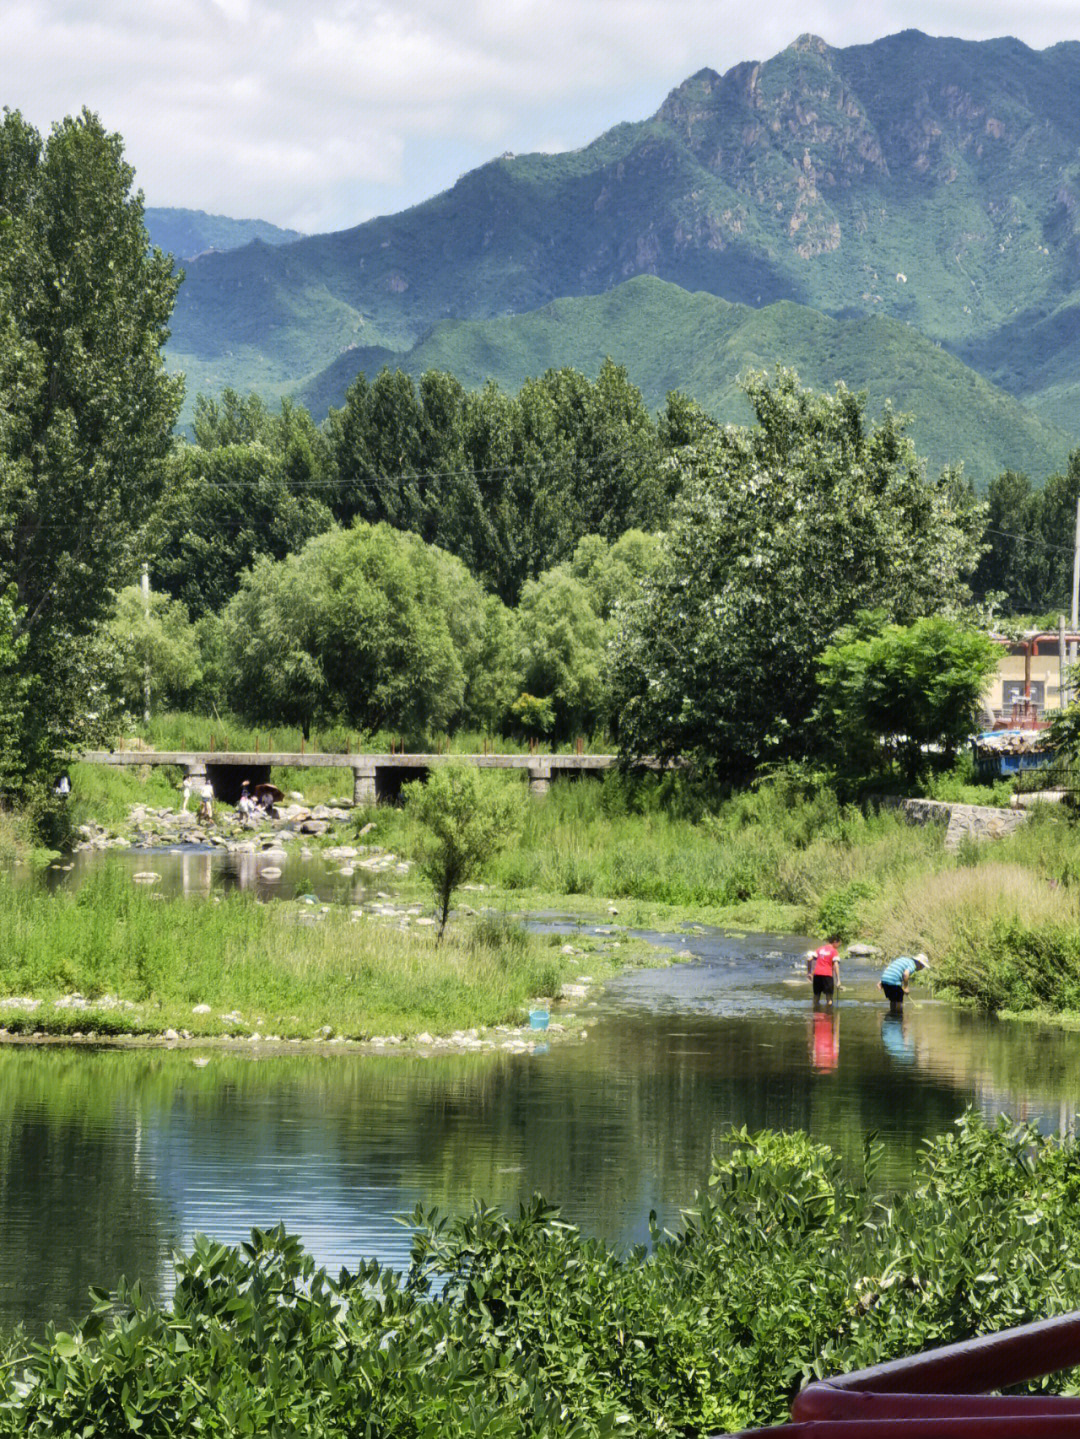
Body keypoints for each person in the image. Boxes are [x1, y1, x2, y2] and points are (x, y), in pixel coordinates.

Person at [806, 936, 842, 1007]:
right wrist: (838, 980)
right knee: (829, 999)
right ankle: (828, 1014)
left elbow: (809, 959)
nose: (838, 946)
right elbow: (836, 965)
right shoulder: (834, 951)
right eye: (839, 944)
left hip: (817, 975)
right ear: (835, 942)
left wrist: (809, 973)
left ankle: (815, 1013)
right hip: (827, 975)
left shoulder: (820, 949)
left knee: (816, 997)